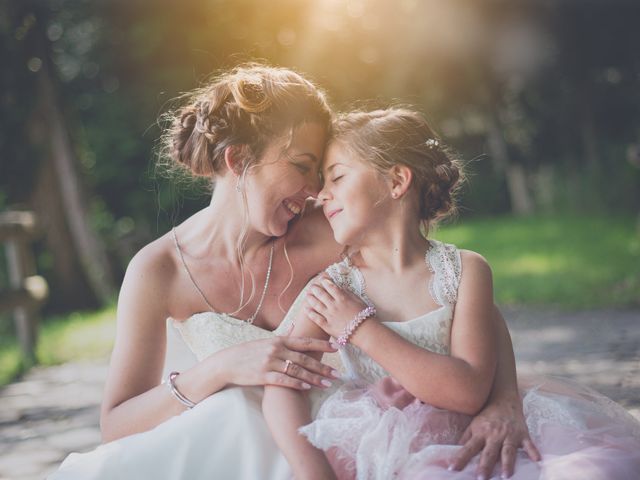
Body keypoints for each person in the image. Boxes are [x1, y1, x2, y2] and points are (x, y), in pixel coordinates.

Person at [50, 65, 535, 479]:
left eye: (325, 175)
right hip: (239, 451)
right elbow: (116, 422)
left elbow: (453, 297)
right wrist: (220, 370)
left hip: (354, 442)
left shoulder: (332, 227)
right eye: (304, 167)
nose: (314, 191)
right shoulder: (156, 271)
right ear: (239, 160)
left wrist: (503, 401)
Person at [262, 108, 640, 479]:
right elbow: (281, 386)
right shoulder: (332, 290)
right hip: (388, 448)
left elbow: (468, 392)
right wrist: (312, 473)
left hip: (473, 441)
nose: (321, 195)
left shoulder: (465, 271)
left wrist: (360, 328)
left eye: (337, 177)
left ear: (397, 181)